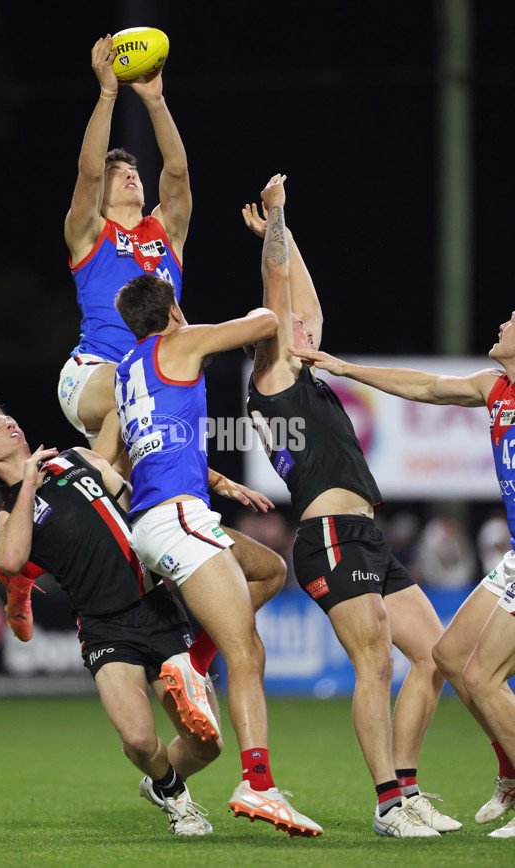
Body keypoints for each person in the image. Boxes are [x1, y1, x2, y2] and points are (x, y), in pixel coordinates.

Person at [244, 176, 461, 837]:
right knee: (375, 661)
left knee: (436, 654)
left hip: (367, 537)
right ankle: (389, 804)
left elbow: (304, 301)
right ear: (272, 337)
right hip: (330, 536)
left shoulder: (302, 373)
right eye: (292, 327)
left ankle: (410, 788)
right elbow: (279, 292)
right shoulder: (271, 377)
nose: (306, 325)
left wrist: (290, 228)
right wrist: (277, 220)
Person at [288, 309, 515, 838]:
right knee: (450, 656)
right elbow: (425, 386)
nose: (502, 323)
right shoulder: (495, 388)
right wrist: (346, 369)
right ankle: (508, 769)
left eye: (512, 320)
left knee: (482, 677)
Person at [114, 265, 323, 836]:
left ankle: (192, 667)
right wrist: (272, 267)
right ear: (173, 310)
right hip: (178, 519)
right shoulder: (181, 340)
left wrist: (223, 483)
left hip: (166, 517)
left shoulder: (128, 370)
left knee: (269, 569)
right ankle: (258, 786)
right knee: (250, 654)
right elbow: (265, 322)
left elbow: (148, 450)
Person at [0, 404, 223, 837]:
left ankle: (161, 782)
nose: (10, 422)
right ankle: (179, 802)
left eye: (10, 417)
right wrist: (28, 483)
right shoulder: (10, 514)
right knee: (138, 740)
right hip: (104, 627)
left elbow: (138, 502)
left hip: (157, 607)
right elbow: (8, 559)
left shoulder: (80, 459)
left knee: (208, 742)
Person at [58, 34, 191, 463]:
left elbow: (177, 169)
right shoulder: (89, 232)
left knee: (144, 505)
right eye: (118, 171)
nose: (130, 173)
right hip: (92, 375)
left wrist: (155, 101)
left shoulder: (166, 231)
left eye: (133, 168)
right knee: (135, 382)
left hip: (147, 389)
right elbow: (88, 171)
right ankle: (90, 484)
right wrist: (107, 94)